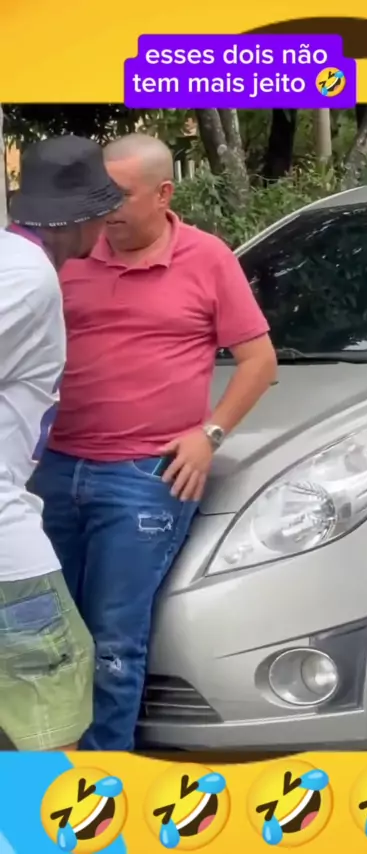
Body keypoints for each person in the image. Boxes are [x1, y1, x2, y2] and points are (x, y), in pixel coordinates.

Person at [29, 132, 277, 751]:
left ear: (164, 194)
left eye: (117, 194)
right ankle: (46, 773)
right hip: (52, 467)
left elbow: (259, 361)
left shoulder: (207, 258)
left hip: (145, 476)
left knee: (114, 639)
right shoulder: (70, 249)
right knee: (45, 636)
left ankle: (104, 782)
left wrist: (209, 435)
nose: (102, 206)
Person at [0, 135, 124, 750]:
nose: (106, 227)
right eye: (103, 214)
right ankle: (41, 811)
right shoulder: (29, 276)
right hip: (5, 540)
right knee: (54, 684)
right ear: (80, 219)